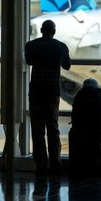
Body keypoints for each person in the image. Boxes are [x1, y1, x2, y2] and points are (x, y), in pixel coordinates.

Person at [25, 19, 71, 175]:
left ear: (41, 30)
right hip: (52, 93)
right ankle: (55, 163)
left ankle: (41, 164)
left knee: (37, 130)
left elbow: (29, 61)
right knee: (53, 128)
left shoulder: (31, 45)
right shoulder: (60, 46)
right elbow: (67, 65)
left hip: (36, 91)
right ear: (54, 31)